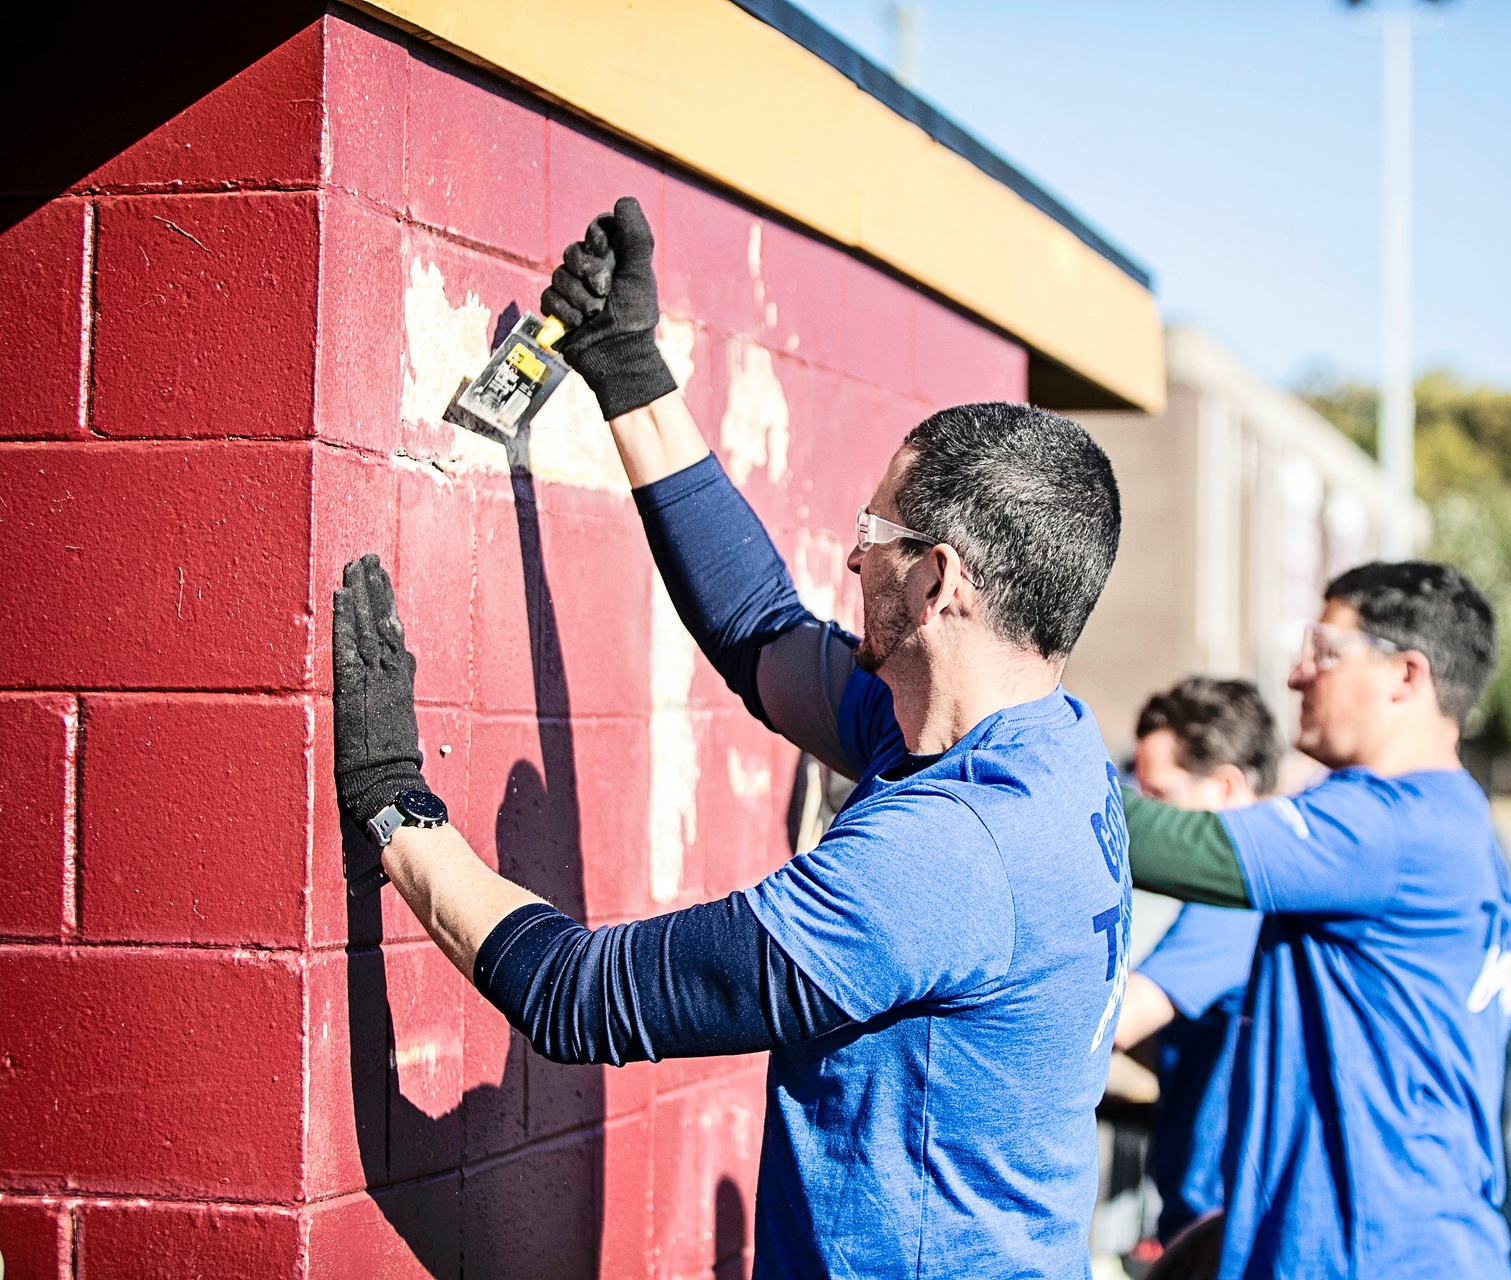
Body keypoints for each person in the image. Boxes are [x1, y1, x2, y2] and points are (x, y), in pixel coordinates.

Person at [330, 197, 1132, 1278]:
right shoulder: (1034, 748)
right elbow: (762, 638)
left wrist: (393, 798)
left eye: (872, 536)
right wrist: (627, 369)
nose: (851, 563)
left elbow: (579, 995)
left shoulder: (936, 861)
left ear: (938, 579)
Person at [1122, 562, 1511, 1279]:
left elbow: (1177, 845)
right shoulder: (1456, 824)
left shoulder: (1390, 825)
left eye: (1324, 651)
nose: (1297, 675)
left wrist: (1015, 741)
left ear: (1406, 676)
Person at [1110, 678, 1275, 1252]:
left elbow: (1116, 1020)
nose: (1146, 823)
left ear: (1227, 789)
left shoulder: (1233, 907)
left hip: (1217, 1230)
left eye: (1158, 798)